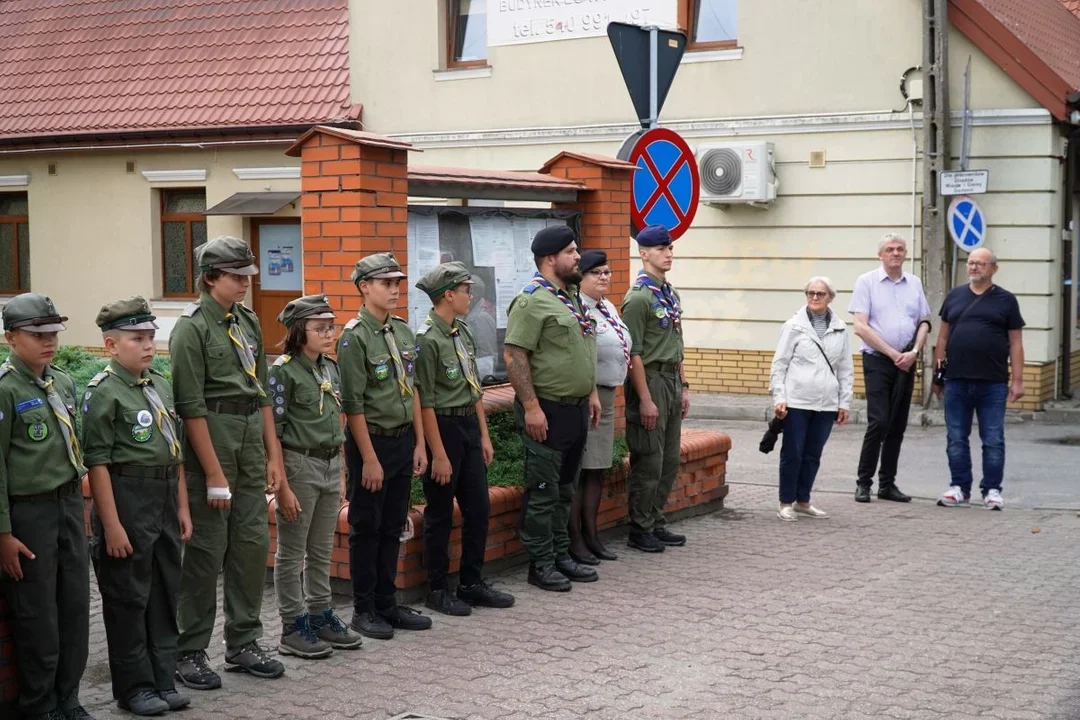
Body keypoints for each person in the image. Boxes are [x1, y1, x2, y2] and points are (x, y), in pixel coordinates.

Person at [169, 236, 286, 690]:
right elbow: (190, 405)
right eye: (236, 277)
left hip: (249, 441)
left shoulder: (247, 323)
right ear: (210, 277)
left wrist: (273, 456)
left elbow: (261, 395)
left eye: (247, 276)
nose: (244, 284)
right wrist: (214, 473)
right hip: (212, 440)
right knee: (205, 551)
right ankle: (190, 649)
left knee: (252, 545)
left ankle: (243, 641)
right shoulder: (192, 328)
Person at [83, 297, 193, 716]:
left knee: (165, 593)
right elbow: (98, 463)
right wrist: (110, 525)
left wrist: (182, 508)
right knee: (129, 596)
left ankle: (162, 677)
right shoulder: (104, 393)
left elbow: (175, 453)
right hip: (127, 499)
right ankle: (134, 687)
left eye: (150, 337)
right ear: (111, 345)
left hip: (163, 498)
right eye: (136, 339)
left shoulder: (158, 384)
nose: (148, 345)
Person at [0, 293, 94, 720]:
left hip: (69, 506)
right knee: (37, 612)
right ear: (10, 338)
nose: (49, 341)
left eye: (53, 332)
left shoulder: (64, 382)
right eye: (37, 334)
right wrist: (3, 534)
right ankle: (38, 705)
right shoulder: (5, 389)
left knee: (75, 607)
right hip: (29, 513)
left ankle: (68, 698)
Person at [504, 225, 601, 591]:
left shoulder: (571, 297)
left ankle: (561, 553)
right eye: (572, 252)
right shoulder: (532, 301)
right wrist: (531, 407)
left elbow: (581, 350)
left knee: (564, 488)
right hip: (546, 408)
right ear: (549, 259)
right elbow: (515, 356)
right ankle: (540, 563)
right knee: (544, 490)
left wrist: (590, 392)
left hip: (574, 408)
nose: (579, 257)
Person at [414, 262, 515, 615]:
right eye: (466, 290)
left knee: (479, 508)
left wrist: (484, 435)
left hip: (468, 427)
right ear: (448, 295)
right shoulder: (426, 341)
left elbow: (474, 391)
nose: (471, 295)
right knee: (440, 512)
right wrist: (438, 453)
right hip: (442, 429)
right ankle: (438, 589)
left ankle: (471, 582)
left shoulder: (462, 332)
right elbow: (424, 400)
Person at [338, 253, 430, 639]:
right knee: (366, 526)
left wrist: (420, 444)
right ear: (364, 287)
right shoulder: (353, 337)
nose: (395, 290)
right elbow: (353, 404)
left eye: (397, 283)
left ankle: (387, 602)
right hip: (370, 443)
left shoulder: (403, 332)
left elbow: (412, 392)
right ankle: (364, 608)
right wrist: (370, 459)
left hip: (402, 441)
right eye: (386, 283)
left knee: (393, 525)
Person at [269, 295, 363, 659]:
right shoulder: (283, 371)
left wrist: (339, 469)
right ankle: (293, 626)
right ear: (298, 331)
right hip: (298, 464)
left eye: (331, 327)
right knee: (292, 551)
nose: (329, 334)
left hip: (327, 463)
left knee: (322, 548)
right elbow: (273, 431)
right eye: (320, 328)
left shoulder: (329, 367)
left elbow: (334, 420)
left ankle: (321, 614)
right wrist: (282, 483)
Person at [933, 248, 1025, 510]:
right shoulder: (955, 296)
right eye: (971, 263)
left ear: (993, 268)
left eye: (980, 264)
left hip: (993, 382)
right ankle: (959, 488)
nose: (974, 268)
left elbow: (1016, 342)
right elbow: (942, 337)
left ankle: (992, 490)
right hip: (957, 381)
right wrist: (937, 375)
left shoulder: (1006, 300)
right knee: (956, 437)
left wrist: (1017, 380)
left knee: (993, 438)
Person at [621, 224, 690, 553]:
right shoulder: (638, 299)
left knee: (670, 458)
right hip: (649, 380)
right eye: (661, 249)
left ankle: (655, 518)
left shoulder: (669, 293)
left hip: (672, 379)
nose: (668, 254)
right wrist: (645, 399)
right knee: (649, 458)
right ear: (644, 253)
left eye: (670, 248)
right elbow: (632, 352)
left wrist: (684, 385)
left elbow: (677, 342)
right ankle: (639, 527)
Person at [848, 233, 931, 504]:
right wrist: (894, 353)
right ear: (880, 255)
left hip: (907, 361)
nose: (895, 253)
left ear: (905, 253)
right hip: (878, 361)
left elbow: (924, 322)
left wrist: (914, 352)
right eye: (889, 249)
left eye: (899, 249)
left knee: (897, 424)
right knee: (879, 421)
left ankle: (887, 484)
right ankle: (864, 483)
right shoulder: (866, 282)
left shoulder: (914, 283)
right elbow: (860, 326)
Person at [769, 277, 854, 521]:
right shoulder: (794, 326)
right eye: (810, 293)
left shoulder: (840, 329)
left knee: (812, 454)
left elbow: (845, 369)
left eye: (820, 293)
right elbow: (780, 364)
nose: (815, 297)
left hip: (826, 404)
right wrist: (779, 397)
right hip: (796, 401)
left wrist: (844, 402)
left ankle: (803, 501)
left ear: (831, 298)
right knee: (792, 453)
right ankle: (786, 502)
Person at [569, 250, 629, 565]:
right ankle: (576, 540)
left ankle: (592, 535)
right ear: (581, 277)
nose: (604, 277)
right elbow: (582, 356)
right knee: (582, 471)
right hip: (589, 397)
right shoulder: (580, 310)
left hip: (608, 397)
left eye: (606, 271)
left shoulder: (607, 307)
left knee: (598, 469)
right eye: (596, 273)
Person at [465, 274, 498, 379]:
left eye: (467, 291)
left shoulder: (481, 318)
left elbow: (487, 357)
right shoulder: (470, 313)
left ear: (476, 293)